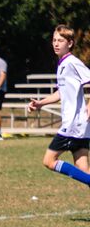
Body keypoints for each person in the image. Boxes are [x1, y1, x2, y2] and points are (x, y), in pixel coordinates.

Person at [27, 25, 90, 188]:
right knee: (84, 171)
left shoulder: (72, 63)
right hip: (80, 125)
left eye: (60, 40)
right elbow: (61, 92)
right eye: (54, 40)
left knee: (49, 161)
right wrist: (40, 103)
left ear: (69, 43)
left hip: (73, 125)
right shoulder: (62, 64)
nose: (56, 44)